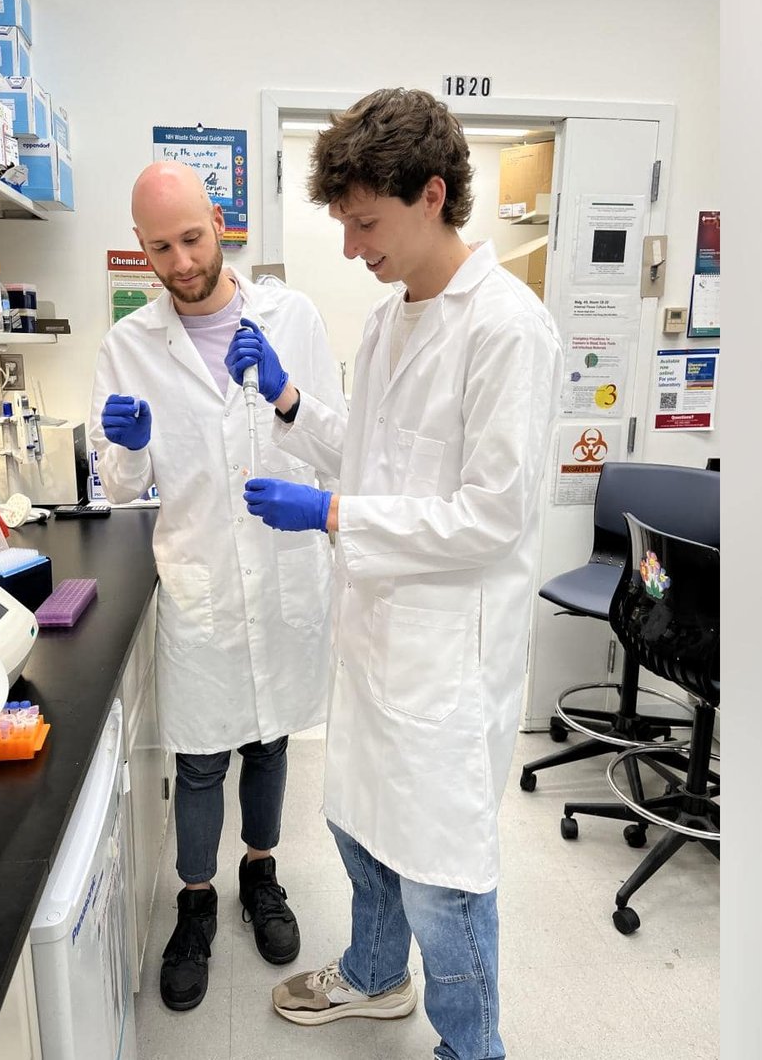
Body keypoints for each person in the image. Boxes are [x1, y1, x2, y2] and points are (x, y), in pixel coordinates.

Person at [227, 88, 564, 1060]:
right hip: (375, 640)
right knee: (359, 827)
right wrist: (290, 399)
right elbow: (368, 454)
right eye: (343, 222)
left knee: (441, 877)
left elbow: (492, 514)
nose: (349, 247)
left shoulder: (507, 329)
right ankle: (375, 977)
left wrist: (334, 515)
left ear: (432, 196)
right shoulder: (387, 322)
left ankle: (472, 1047)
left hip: (445, 661)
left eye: (365, 223)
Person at [88, 161, 345, 1012]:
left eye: (193, 238)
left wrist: (286, 393)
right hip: (199, 582)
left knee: (270, 741)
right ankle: (195, 901)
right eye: (160, 247)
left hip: (280, 578)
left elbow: (339, 449)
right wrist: (127, 447)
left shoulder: (293, 318)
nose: (182, 261)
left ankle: (260, 874)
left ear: (221, 224)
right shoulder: (129, 345)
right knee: (199, 757)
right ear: (142, 248)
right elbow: (120, 487)